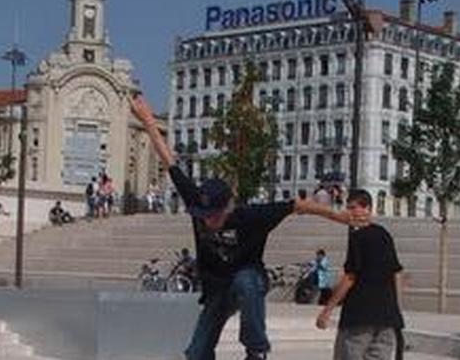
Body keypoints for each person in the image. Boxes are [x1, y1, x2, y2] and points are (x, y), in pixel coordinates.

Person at [131, 95, 364, 360]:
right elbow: (170, 161)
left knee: (246, 281)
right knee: (196, 353)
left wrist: (339, 216)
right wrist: (149, 120)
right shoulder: (197, 202)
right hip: (217, 290)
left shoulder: (251, 217)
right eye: (203, 217)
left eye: (214, 217)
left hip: (249, 279)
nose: (207, 222)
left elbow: (298, 205)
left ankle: (257, 351)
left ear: (228, 206)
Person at [316, 190, 404, 360]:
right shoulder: (384, 234)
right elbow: (397, 272)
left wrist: (327, 311)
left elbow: (350, 277)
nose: (350, 212)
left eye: (354, 208)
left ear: (367, 209)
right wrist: (396, 309)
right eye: (348, 208)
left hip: (359, 315)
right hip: (386, 317)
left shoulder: (357, 237)